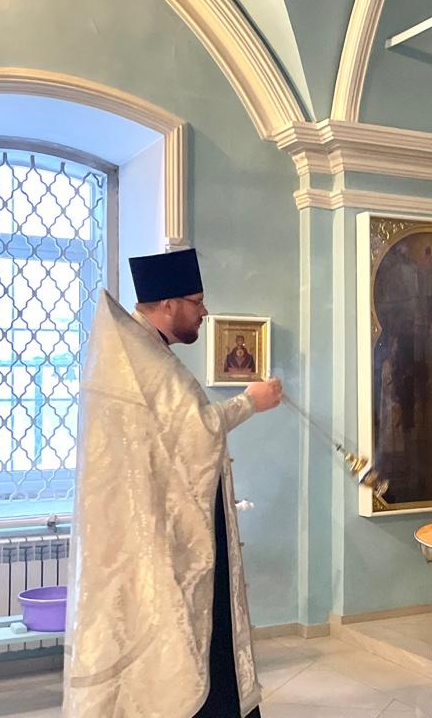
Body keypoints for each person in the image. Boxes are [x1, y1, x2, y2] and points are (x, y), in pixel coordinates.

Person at [65, 248, 283, 718]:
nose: (204, 311)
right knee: (191, 630)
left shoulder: (141, 352)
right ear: (168, 304)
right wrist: (251, 401)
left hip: (159, 521)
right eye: (197, 301)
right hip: (163, 533)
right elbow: (195, 432)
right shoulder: (149, 360)